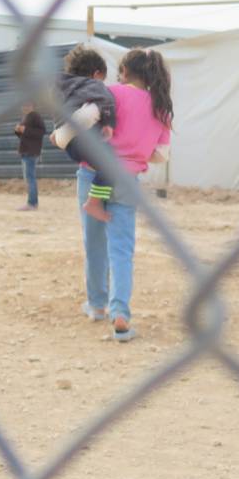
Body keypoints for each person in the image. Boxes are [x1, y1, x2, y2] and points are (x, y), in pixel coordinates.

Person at [78, 48, 172, 342]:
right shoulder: (161, 107)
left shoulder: (110, 93)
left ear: (125, 72)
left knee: (94, 242)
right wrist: (137, 150)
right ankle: (120, 313)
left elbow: (84, 121)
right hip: (127, 179)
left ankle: (96, 305)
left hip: (93, 171)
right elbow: (160, 155)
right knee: (121, 250)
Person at [51, 45, 117, 222]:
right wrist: (109, 123)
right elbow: (107, 101)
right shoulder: (94, 85)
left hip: (69, 145)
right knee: (111, 164)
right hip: (84, 138)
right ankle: (94, 203)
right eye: (102, 79)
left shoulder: (61, 86)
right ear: (96, 74)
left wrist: (57, 131)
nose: (102, 83)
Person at [12, 102, 46, 211]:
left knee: (30, 178)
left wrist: (25, 130)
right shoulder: (26, 117)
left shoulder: (35, 116)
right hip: (26, 151)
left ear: (31, 105)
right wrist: (18, 131)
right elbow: (25, 136)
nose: (23, 107)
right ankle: (32, 202)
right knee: (29, 178)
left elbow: (41, 132)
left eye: (26, 105)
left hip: (31, 152)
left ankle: (32, 203)